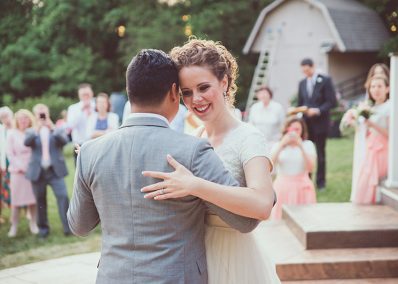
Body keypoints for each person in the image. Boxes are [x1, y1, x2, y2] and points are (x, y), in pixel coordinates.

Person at [67, 49, 259, 284]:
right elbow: (245, 221)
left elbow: (79, 225)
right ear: (173, 92)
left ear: (130, 91)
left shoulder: (90, 152)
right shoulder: (193, 151)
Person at [141, 39, 279, 283]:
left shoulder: (249, 138)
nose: (196, 99)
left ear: (224, 82)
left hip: (235, 257)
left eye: (204, 87)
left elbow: (263, 204)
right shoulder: (192, 138)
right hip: (194, 257)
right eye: (186, 92)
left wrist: (194, 185)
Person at [25, 104, 71, 238]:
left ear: (48, 113)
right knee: (40, 201)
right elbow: (26, 143)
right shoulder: (31, 131)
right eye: (39, 114)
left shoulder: (56, 129)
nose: (42, 116)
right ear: (35, 116)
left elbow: (64, 141)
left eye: (43, 113)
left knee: (63, 197)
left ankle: (68, 228)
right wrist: (37, 129)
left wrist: (52, 127)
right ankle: (43, 230)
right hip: (38, 172)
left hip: (55, 171)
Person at [297, 58, 337, 190]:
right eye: (303, 71)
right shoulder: (302, 83)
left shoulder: (325, 80)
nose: (306, 73)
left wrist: (318, 110)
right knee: (307, 152)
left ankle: (321, 183)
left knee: (320, 154)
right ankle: (307, 180)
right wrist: (298, 112)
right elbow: (300, 102)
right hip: (306, 126)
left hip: (320, 124)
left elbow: (332, 102)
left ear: (313, 67)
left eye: (307, 70)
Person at [270, 116, 317, 219]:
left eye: (297, 129)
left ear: (302, 131)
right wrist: (282, 144)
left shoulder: (308, 145)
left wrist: (301, 146)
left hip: (302, 187)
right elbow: (269, 166)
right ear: (286, 129)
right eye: (291, 128)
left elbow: (311, 168)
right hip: (282, 188)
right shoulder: (278, 145)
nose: (293, 132)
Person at [354, 75, 390, 204]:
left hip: (383, 149)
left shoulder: (390, 107)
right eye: (373, 87)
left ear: (387, 88)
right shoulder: (370, 108)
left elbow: (391, 134)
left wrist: (372, 124)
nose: (376, 90)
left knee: (377, 181)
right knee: (364, 182)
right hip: (370, 148)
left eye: (379, 86)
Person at [6, 109, 39, 237]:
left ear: (30, 119)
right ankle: (14, 226)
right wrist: (19, 166)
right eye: (20, 118)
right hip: (17, 171)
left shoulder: (33, 132)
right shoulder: (11, 133)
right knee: (16, 201)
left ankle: (33, 224)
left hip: (32, 170)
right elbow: (9, 153)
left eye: (25, 118)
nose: (23, 120)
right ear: (16, 120)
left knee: (33, 200)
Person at [248, 86, 285, 153]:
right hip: (258, 142)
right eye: (260, 93)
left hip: (274, 142)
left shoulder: (278, 107)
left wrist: (280, 140)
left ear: (269, 94)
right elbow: (251, 125)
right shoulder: (254, 108)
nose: (263, 95)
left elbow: (283, 125)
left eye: (265, 93)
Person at [67, 83, 95, 161]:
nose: (86, 96)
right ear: (79, 95)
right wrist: (81, 110)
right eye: (83, 94)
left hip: (95, 143)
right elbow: (70, 126)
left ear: (92, 93)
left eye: (87, 94)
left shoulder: (97, 106)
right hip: (79, 144)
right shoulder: (73, 108)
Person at [0, 107, 13, 224]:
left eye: (7, 116)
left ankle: (23, 212)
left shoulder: (16, 127)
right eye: (2, 117)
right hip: (3, 164)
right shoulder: (0, 130)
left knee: (17, 189)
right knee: (4, 189)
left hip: (15, 163)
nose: (5, 119)